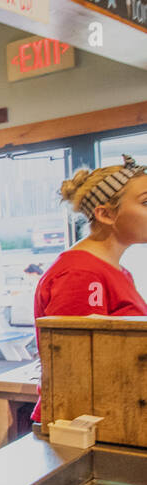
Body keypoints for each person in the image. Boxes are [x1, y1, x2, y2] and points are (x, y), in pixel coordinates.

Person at [32, 158, 147, 422]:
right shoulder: (81, 273)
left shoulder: (116, 271)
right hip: (85, 421)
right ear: (105, 214)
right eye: (145, 202)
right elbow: (76, 367)